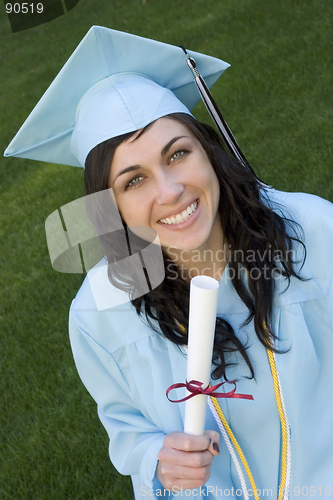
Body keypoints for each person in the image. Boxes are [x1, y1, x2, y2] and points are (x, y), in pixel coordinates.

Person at [5, 26, 333, 500]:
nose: (170, 191)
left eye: (177, 154)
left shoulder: (314, 233)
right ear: (109, 206)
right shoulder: (99, 314)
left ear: (209, 151)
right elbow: (126, 428)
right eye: (133, 181)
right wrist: (155, 457)